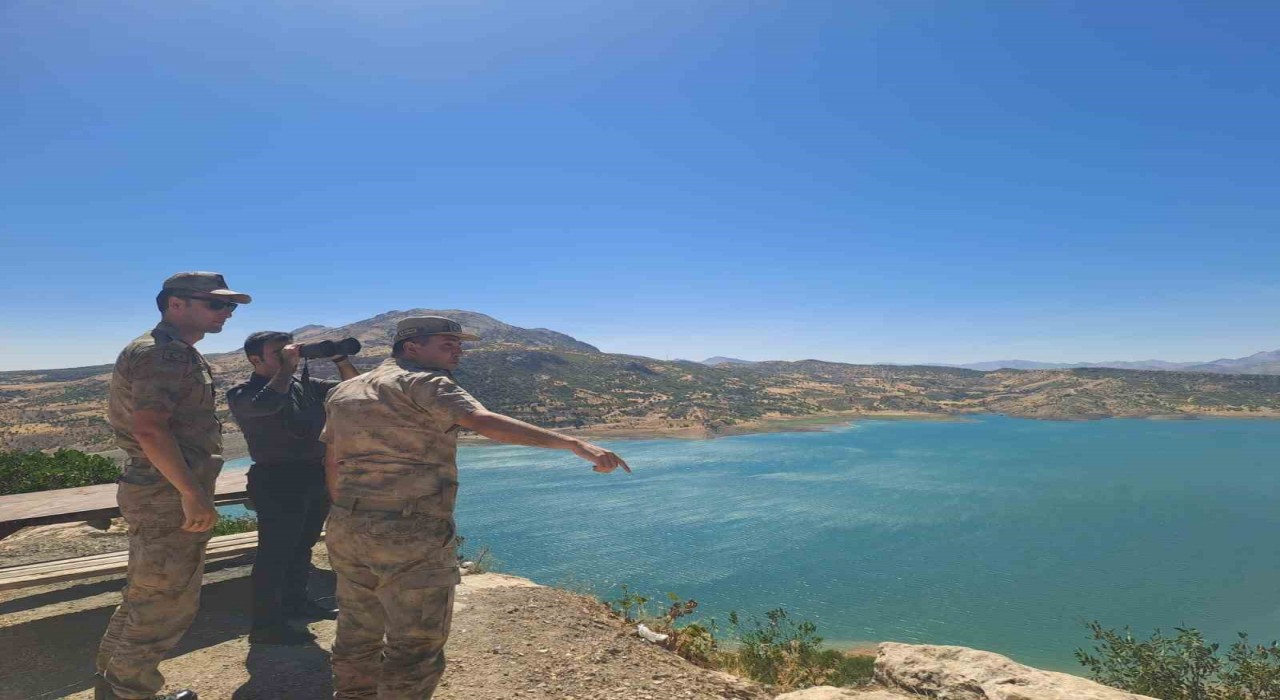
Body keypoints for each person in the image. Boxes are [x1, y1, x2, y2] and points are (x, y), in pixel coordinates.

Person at [321, 316, 631, 700]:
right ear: (412, 347)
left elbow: (333, 458)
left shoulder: (346, 389)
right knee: (415, 644)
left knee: (357, 630)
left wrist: (347, 509)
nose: (458, 349)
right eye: (447, 343)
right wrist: (574, 444)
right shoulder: (426, 382)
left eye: (458, 343)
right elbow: (482, 421)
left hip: (347, 524)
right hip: (409, 529)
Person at [96, 272, 252, 700]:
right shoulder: (163, 354)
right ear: (175, 304)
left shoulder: (171, 350)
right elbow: (149, 429)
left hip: (156, 486)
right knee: (167, 599)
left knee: (147, 590)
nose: (227, 313)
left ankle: (113, 680)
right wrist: (191, 492)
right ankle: (134, 691)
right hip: (166, 490)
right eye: (216, 304)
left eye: (230, 307)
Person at [227, 332, 360, 645]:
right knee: (275, 554)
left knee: (302, 547)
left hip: (314, 475)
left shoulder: (305, 386)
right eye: (278, 353)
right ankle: (266, 626)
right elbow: (269, 404)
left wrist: (340, 357)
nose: (288, 358)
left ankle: (296, 602)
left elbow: (356, 390)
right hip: (276, 479)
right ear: (255, 359)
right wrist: (287, 368)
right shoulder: (242, 393)